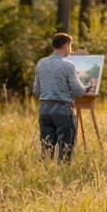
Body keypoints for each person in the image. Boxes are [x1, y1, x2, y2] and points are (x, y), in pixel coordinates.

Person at [32, 32, 94, 162]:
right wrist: (89, 87)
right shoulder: (68, 65)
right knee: (66, 149)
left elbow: (36, 91)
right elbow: (78, 92)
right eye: (70, 46)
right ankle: (63, 176)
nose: (70, 50)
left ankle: (45, 174)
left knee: (46, 150)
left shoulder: (41, 63)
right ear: (66, 45)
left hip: (44, 109)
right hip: (62, 110)